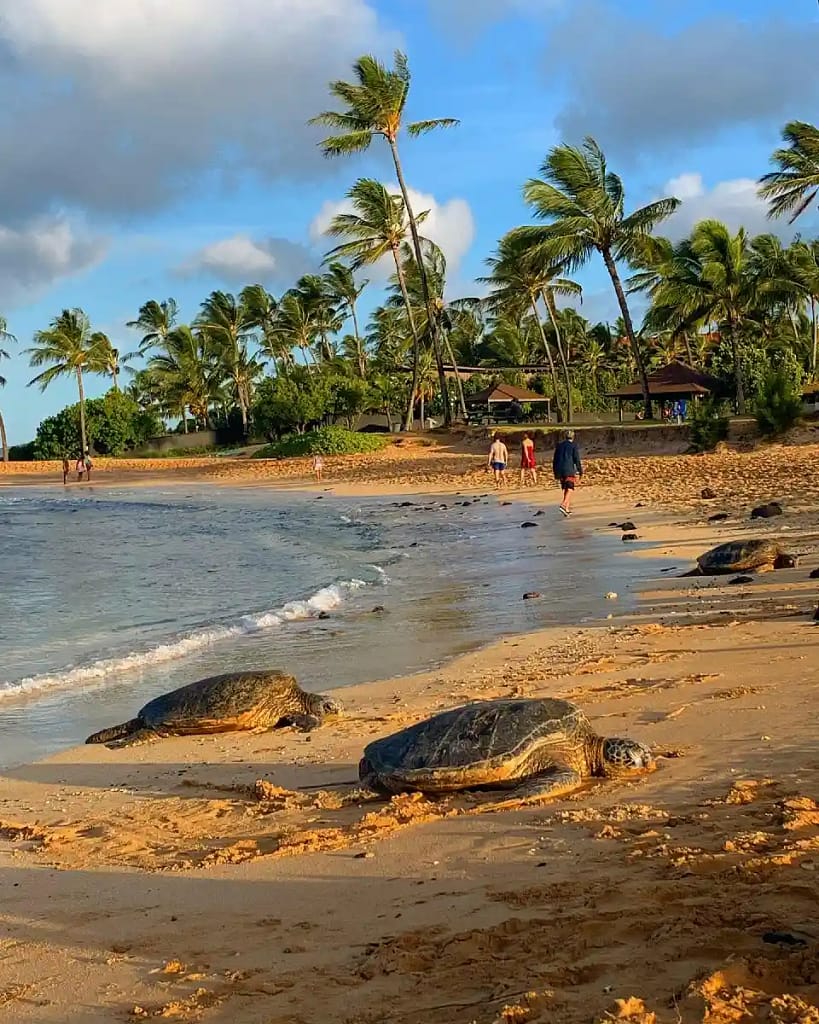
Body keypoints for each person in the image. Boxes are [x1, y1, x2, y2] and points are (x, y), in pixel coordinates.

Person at [553, 429, 583, 516]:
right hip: (568, 469)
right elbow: (576, 459)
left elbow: (555, 460)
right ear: (573, 437)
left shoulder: (559, 445)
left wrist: (555, 472)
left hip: (559, 469)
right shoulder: (573, 445)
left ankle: (566, 508)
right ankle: (563, 504)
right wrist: (580, 471)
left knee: (566, 487)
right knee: (570, 487)